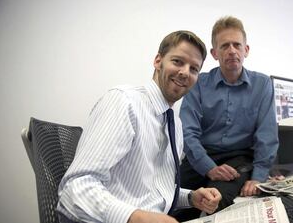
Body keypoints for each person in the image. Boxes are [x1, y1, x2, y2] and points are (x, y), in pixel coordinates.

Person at [57, 30, 222, 223]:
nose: (185, 72)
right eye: (177, 61)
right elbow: (74, 189)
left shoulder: (174, 123)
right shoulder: (124, 103)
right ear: (158, 61)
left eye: (194, 69)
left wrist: (191, 198)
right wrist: (135, 217)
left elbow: (150, 192)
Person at [174, 16, 279, 221]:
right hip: (201, 155)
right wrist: (209, 167)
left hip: (239, 159)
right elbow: (187, 132)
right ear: (214, 53)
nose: (232, 50)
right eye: (224, 46)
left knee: (214, 199)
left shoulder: (263, 84)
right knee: (172, 198)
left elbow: (266, 135)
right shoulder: (198, 83)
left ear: (246, 49)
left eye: (237, 44)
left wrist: (258, 177)